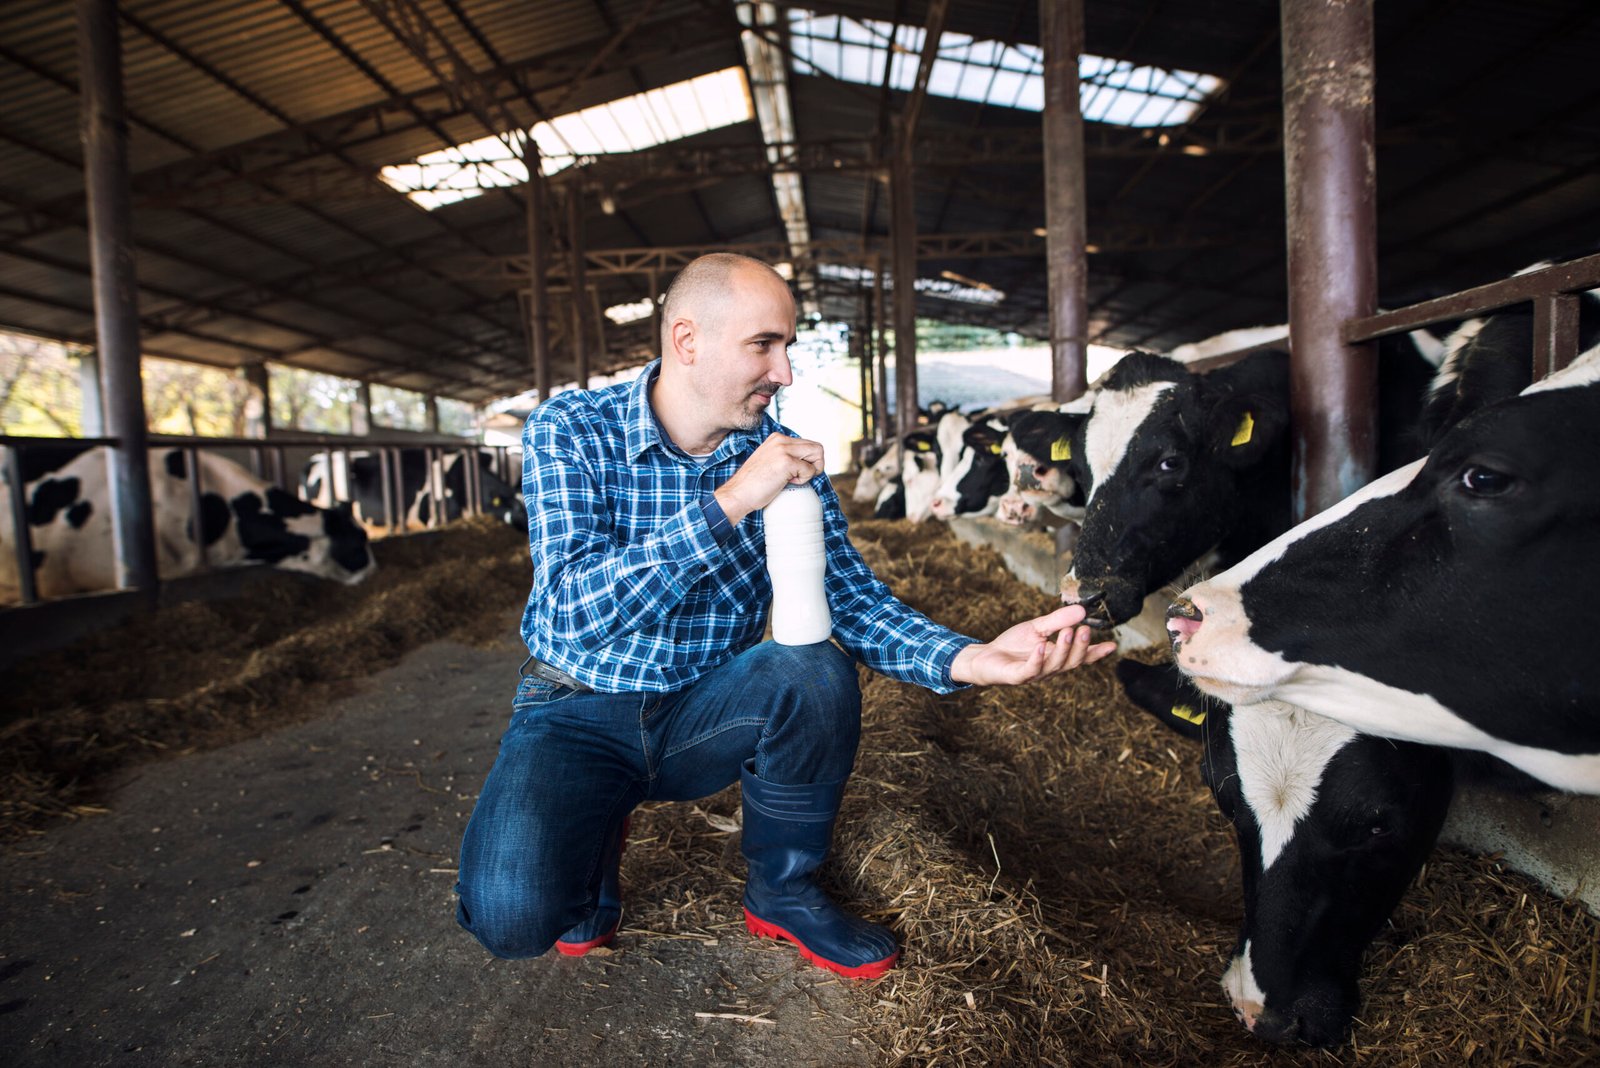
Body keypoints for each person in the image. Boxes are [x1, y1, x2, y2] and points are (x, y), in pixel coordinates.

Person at [455, 253, 1117, 979]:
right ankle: (591, 838)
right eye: (764, 345)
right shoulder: (573, 428)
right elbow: (574, 613)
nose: (786, 372)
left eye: (788, 347)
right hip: (575, 708)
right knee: (513, 919)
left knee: (811, 664)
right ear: (686, 341)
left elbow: (850, 599)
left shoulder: (779, 454)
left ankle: (783, 892)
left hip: (703, 711)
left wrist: (970, 657)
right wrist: (731, 500)